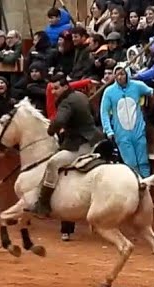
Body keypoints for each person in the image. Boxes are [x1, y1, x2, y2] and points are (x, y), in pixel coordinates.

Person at [29, 73, 103, 218]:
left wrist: (51, 130)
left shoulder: (66, 102)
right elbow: (93, 115)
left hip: (79, 144)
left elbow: (59, 121)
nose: (53, 92)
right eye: (52, 89)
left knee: (53, 163)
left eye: (56, 88)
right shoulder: (81, 96)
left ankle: (43, 204)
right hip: (95, 138)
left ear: (65, 86)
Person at [99, 64, 153, 178]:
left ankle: (147, 183)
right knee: (131, 163)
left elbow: (152, 92)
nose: (119, 77)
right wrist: (108, 130)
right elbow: (104, 112)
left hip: (138, 130)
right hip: (121, 133)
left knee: (143, 161)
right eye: (117, 75)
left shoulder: (137, 86)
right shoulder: (109, 92)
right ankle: (136, 184)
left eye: (122, 74)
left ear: (127, 74)